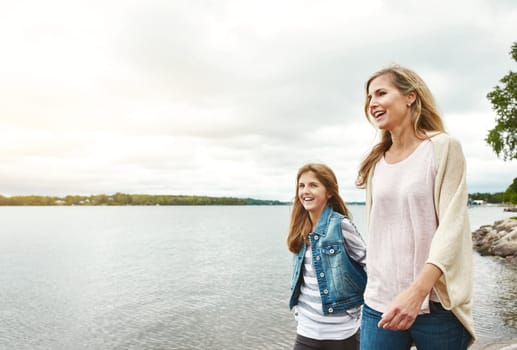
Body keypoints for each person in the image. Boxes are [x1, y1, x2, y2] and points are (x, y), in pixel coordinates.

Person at [356, 65, 476, 349]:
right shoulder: (376, 162)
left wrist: (417, 291)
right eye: (369, 98)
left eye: (381, 93)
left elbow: (452, 227)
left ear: (410, 96)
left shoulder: (443, 148)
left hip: (435, 306)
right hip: (379, 303)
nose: (372, 103)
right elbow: (379, 234)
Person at [288, 163, 367, 350]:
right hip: (306, 329)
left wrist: (364, 310)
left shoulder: (341, 226)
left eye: (313, 185)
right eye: (302, 185)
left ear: (329, 192)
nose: (305, 191)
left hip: (341, 332)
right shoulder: (301, 228)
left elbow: (370, 264)